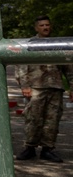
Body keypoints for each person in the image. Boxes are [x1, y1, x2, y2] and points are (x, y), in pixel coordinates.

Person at [14, 15, 73, 163]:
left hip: (55, 87)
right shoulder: (30, 45)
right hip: (36, 87)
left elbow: (69, 68)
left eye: (47, 25)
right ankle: (30, 148)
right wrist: (25, 85)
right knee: (33, 118)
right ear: (36, 28)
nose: (45, 27)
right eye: (42, 25)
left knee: (52, 120)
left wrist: (72, 88)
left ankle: (48, 149)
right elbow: (21, 65)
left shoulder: (58, 44)